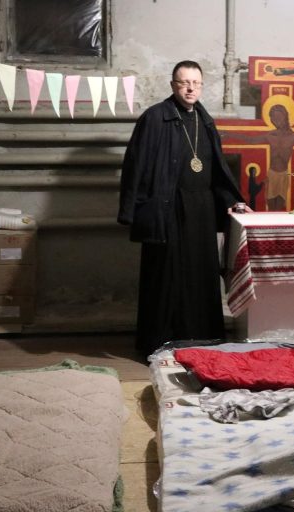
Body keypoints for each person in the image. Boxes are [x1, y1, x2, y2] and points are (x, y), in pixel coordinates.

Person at [118, 60, 246, 358]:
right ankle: (161, 341)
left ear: (202, 86)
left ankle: (201, 339)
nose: (190, 88)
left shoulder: (206, 120)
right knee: (166, 274)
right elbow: (135, 167)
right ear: (173, 84)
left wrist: (231, 200)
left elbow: (216, 170)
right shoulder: (155, 118)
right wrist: (132, 211)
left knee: (201, 273)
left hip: (200, 210)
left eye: (196, 83)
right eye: (184, 82)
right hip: (167, 209)